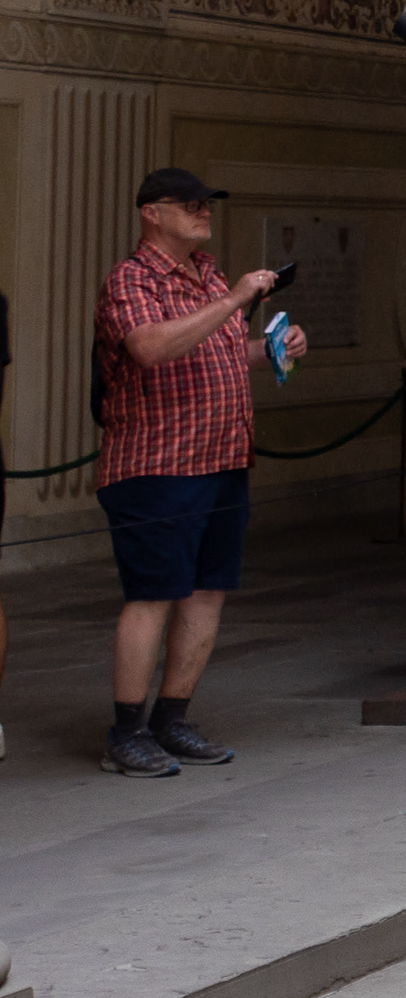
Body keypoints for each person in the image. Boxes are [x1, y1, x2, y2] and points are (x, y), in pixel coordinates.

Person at [90, 168, 303, 777]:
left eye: (206, 202)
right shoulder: (130, 279)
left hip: (223, 459)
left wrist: (272, 351)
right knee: (153, 594)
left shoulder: (207, 274)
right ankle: (126, 731)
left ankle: (171, 718)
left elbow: (220, 349)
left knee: (207, 590)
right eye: (189, 203)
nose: (203, 210)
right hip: (156, 465)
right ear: (151, 213)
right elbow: (151, 347)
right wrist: (235, 299)